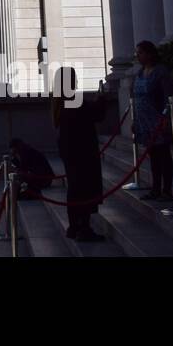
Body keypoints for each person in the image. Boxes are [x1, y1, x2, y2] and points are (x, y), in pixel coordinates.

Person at [53, 66, 110, 241]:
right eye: (74, 78)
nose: (76, 81)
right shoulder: (73, 100)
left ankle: (74, 226)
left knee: (74, 189)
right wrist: (101, 99)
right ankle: (84, 228)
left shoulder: (59, 101)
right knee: (85, 190)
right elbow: (96, 115)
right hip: (82, 152)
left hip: (69, 151)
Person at [132, 40, 173, 201]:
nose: (138, 56)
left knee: (164, 155)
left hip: (158, 119)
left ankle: (167, 190)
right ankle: (155, 188)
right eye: (137, 53)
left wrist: (165, 118)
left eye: (141, 52)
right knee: (153, 156)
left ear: (150, 53)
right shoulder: (140, 73)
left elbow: (167, 96)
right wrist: (135, 120)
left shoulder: (160, 72)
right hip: (144, 121)